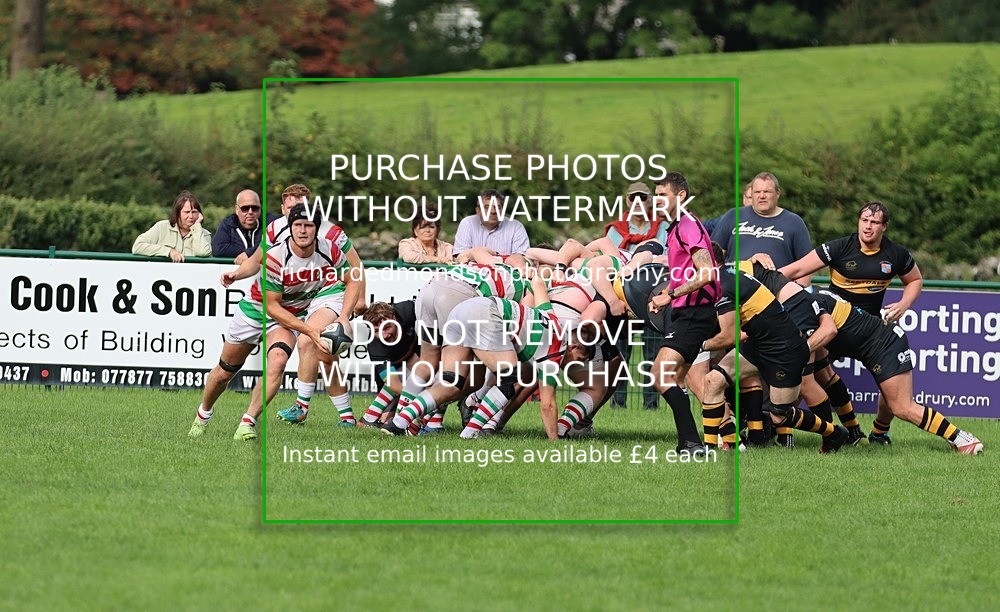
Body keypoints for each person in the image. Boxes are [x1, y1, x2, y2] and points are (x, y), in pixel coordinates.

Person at [778, 200, 923, 444]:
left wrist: (903, 304)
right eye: (864, 220)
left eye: (874, 222)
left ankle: (879, 432)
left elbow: (915, 280)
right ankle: (786, 430)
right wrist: (759, 280)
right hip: (831, 326)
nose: (868, 227)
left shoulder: (896, 254)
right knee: (801, 374)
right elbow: (796, 269)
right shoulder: (839, 247)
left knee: (891, 390)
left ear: (884, 226)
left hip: (868, 331)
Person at [187, 203, 330, 441]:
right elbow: (258, 271)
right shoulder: (277, 248)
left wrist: (345, 311)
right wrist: (237, 273)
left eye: (308, 225)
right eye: (298, 225)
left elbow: (352, 273)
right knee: (224, 372)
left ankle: (247, 422)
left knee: (278, 360)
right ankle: (203, 414)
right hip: (257, 309)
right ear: (289, 222)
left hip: (286, 318)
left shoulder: (330, 249)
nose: (303, 230)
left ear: (317, 227)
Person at [809, 288, 982, 455]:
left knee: (902, 407)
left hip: (885, 344)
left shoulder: (803, 304)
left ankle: (962, 439)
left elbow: (828, 331)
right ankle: (855, 434)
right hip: (875, 341)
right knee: (822, 374)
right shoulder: (809, 294)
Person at [646, 172, 721, 454]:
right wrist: (665, 295)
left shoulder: (687, 225)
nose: (657, 201)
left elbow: (706, 274)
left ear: (680, 197)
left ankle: (691, 443)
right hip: (687, 312)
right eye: (656, 195)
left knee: (661, 374)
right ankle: (703, 441)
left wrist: (671, 295)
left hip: (695, 313)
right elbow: (684, 272)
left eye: (662, 195)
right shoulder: (676, 227)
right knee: (680, 380)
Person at [710, 172, 813, 277]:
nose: (762, 196)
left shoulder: (794, 222)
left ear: (778, 193)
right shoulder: (733, 216)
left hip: (777, 288)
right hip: (735, 287)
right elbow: (712, 259)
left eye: (767, 192)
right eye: (757, 192)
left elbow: (805, 268)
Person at [132, 190, 212, 262]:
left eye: (194, 212)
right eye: (186, 212)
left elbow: (203, 253)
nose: (191, 216)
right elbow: (137, 246)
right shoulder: (161, 227)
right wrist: (169, 251)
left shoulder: (204, 234)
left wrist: (197, 226)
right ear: (177, 213)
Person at [452, 188, 530, 256]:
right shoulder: (467, 223)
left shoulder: (516, 227)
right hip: (471, 272)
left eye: (498, 207)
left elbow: (522, 259)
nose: (493, 211)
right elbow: (461, 257)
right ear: (478, 211)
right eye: (487, 207)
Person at [211, 189, 278, 263]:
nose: (250, 212)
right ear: (237, 209)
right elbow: (217, 249)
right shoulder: (228, 224)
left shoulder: (271, 221)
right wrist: (248, 252)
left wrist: (248, 253)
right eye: (245, 208)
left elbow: (276, 244)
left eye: (255, 208)